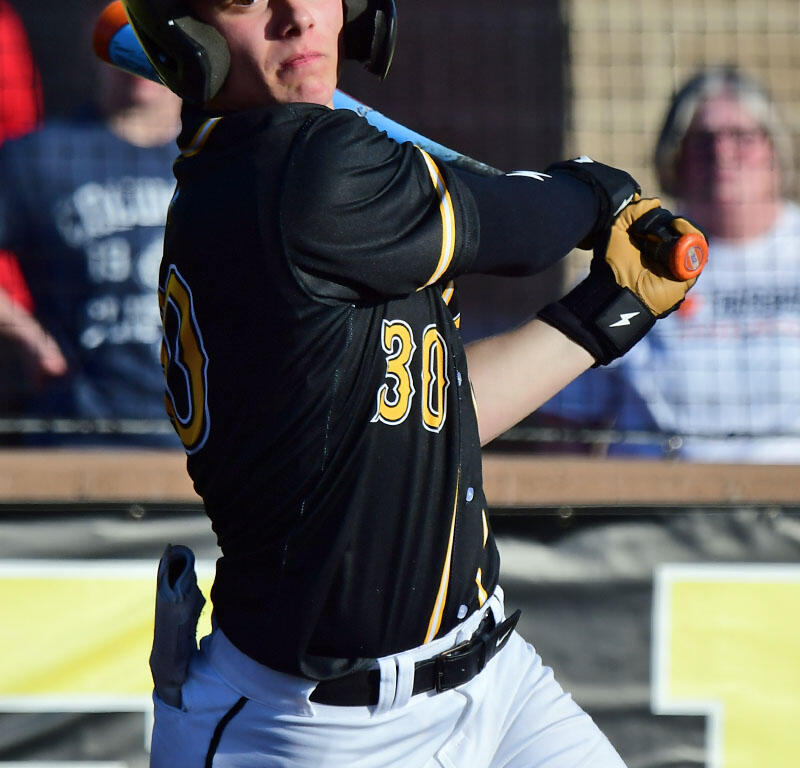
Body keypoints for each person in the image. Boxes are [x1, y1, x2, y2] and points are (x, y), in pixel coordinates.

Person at [118, 0, 702, 765]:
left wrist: (602, 318)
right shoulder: (296, 175)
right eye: (248, 0)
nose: (297, 16)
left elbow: (435, 413)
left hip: (494, 678)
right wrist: (595, 191)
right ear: (186, 35)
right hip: (309, 730)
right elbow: (524, 226)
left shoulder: (287, 172)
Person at [543, 67, 800, 462]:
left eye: (742, 137)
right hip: (659, 509)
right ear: (675, 158)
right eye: (703, 140)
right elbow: (567, 424)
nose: (723, 152)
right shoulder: (633, 257)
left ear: (774, 151)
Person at [0, 19, 183, 446]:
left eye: (154, 35)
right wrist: (26, 335)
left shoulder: (227, 158)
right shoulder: (39, 158)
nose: (141, 51)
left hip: (204, 447)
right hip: (77, 438)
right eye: (127, 32)